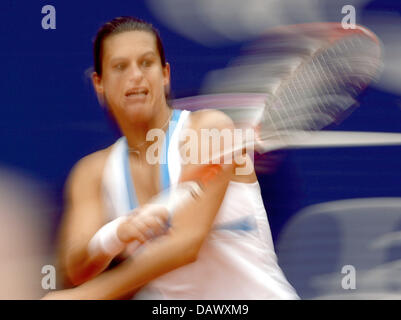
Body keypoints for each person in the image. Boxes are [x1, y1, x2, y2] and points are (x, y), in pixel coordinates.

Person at [44, 16, 299, 300]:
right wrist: (115, 234)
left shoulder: (209, 129)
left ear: (165, 74)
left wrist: (88, 297)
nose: (136, 75)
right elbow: (77, 268)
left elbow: (185, 244)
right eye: (120, 67)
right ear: (99, 83)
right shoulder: (91, 172)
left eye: (146, 63)